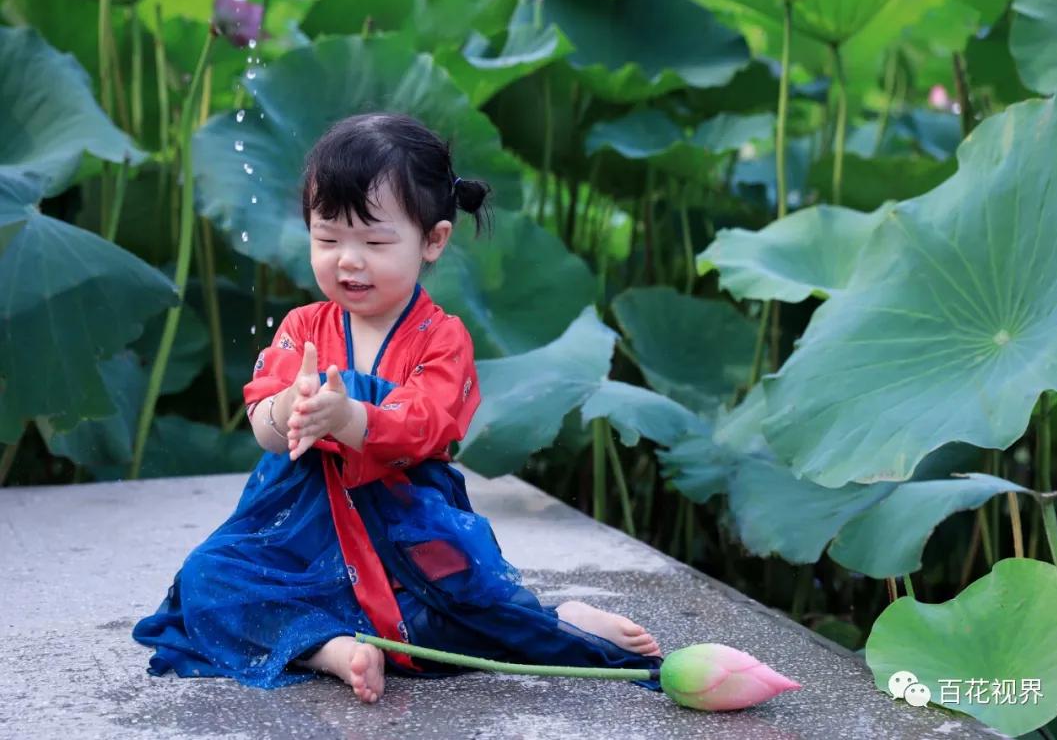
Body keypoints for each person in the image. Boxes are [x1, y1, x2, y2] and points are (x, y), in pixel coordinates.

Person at [132, 113, 662, 703]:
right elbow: (263, 422)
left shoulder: (442, 338)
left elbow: (428, 425)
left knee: (453, 618)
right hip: (296, 524)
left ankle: (565, 618)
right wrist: (292, 410)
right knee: (210, 580)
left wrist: (348, 417)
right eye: (327, 239)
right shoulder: (303, 325)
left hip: (405, 518)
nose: (348, 261)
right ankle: (327, 648)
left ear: (433, 239)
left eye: (375, 242)